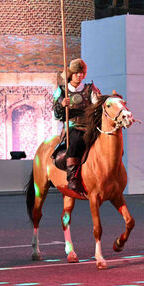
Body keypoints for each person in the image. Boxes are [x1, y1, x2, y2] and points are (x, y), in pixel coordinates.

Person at [52, 58, 100, 196]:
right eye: (77, 72)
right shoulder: (62, 91)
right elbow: (56, 114)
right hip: (73, 125)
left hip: (89, 126)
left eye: (82, 73)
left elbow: (98, 107)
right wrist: (62, 105)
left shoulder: (90, 89)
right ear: (71, 74)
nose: (79, 75)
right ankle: (72, 177)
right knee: (76, 138)